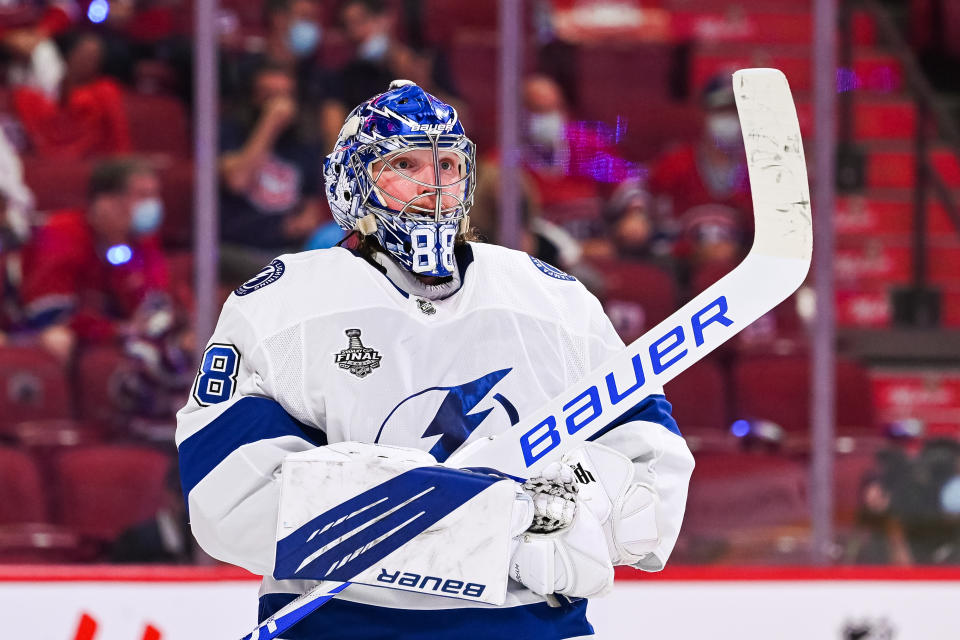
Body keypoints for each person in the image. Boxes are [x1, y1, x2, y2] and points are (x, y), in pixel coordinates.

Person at [177, 81, 694, 639]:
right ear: (354, 182)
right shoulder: (281, 305)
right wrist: (495, 521)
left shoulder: (553, 301)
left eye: (447, 164)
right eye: (405, 164)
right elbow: (227, 498)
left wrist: (577, 510)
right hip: (347, 628)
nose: (434, 187)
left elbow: (652, 479)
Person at [18, 157, 172, 361]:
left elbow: (155, 304)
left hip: (111, 329)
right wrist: (114, 330)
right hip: (26, 326)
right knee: (59, 340)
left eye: (154, 195)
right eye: (142, 195)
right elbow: (49, 314)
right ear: (105, 202)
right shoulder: (63, 232)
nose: (152, 204)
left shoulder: (143, 240)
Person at [218, 61, 325, 282]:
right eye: (270, 96)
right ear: (253, 99)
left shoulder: (304, 142)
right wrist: (270, 123)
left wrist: (303, 223)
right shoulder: (230, 132)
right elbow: (237, 180)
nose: (280, 104)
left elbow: (310, 208)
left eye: (286, 95)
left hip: (287, 249)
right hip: (237, 247)